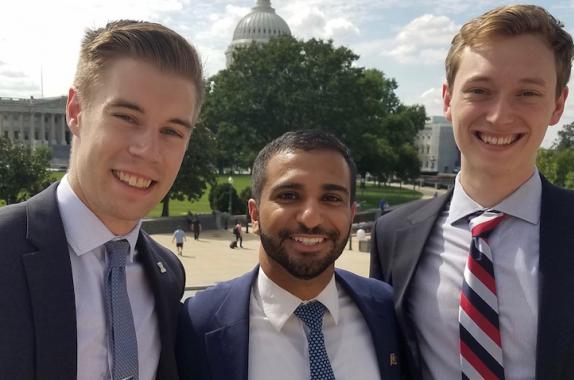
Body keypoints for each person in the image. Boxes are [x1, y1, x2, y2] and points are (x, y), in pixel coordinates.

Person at [370, 5, 574, 380]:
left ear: (557, 105)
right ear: (448, 99)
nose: (499, 116)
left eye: (527, 93)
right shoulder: (393, 235)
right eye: (479, 90)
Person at [0, 20, 204, 380]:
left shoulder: (168, 273)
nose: (147, 150)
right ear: (76, 111)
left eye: (171, 131)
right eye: (126, 117)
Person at [177, 130, 403, 380]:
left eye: (331, 198)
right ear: (254, 215)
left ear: (351, 214)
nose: (311, 218)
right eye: (289, 196)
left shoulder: (388, 309)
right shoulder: (197, 324)